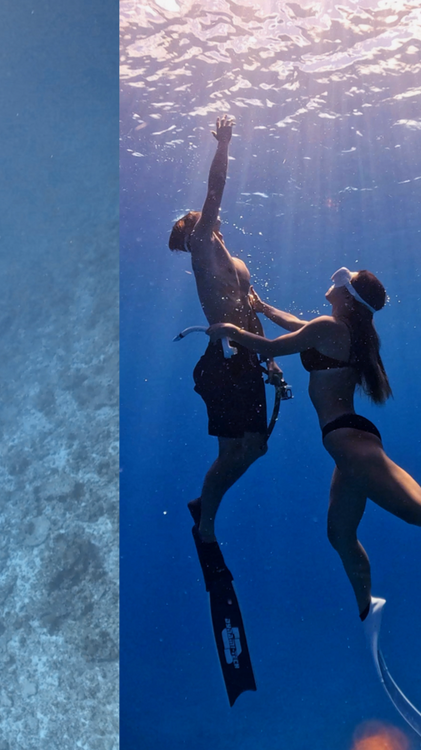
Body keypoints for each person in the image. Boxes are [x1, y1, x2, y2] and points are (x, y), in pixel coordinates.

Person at [207, 267, 421, 620]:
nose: (334, 281)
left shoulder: (330, 327)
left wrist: (231, 331)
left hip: (349, 442)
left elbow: (272, 347)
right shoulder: (336, 329)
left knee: (418, 509)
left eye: (343, 280)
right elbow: (298, 325)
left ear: (348, 297)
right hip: (350, 441)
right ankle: (368, 607)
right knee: (340, 534)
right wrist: (263, 308)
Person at [169, 115, 282, 543]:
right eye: (200, 216)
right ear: (195, 225)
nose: (210, 215)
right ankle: (206, 525)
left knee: (251, 447)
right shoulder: (201, 245)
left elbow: (251, 312)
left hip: (245, 354)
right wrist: (224, 145)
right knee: (242, 448)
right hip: (224, 357)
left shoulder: (236, 262)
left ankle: (206, 505)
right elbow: (215, 189)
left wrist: (270, 361)